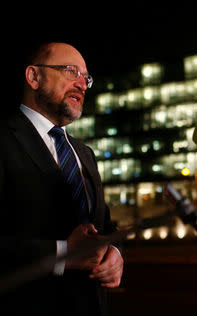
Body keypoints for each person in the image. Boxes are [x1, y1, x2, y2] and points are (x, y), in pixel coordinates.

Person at [0, 42, 123, 316]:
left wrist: (115, 252)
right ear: (33, 77)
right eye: (70, 71)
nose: (81, 83)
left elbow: (105, 224)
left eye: (86, 78)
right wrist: (62, 253)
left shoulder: (85, 154)